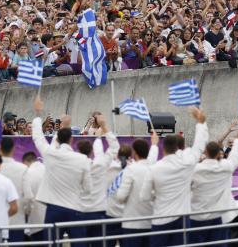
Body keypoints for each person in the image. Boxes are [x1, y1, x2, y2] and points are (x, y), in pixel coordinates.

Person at [140, 107, 208, 247]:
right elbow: (199, 146)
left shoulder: (154, 169)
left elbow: (144, 197)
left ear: (163, 149)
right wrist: (201, 123)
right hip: (182, 218)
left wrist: (157, 194)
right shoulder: (186, 163)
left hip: (160, 219)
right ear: (177, 148)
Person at [31, 95, 92, 246]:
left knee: (51, 244)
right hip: (75, 208)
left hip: (54, 209)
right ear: (72, 140)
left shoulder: (50, 154)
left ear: (57, 139)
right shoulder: (82, 160)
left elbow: (38, 136)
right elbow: (88, 189)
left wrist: (38, 113)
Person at [189, 118, 238, 246]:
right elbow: (237, 154)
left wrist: (201, 123)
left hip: (197, 216)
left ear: (205, 152)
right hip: (218, 216)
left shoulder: (194, 169)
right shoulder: (226, 167)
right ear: (219, 153)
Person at [81, 114, 120, 247]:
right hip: (99, 212)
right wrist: (103, 127)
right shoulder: (100, 165)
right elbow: (114, 147)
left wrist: (97, 137)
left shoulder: (74, 167)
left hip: (81, 212)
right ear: (91, 152)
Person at [116, 133, 159, 247]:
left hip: (132, 223)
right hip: (150, 222)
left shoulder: (130, 170)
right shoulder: (153, 168)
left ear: (134, 152)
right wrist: (154, 144)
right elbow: (152, 158)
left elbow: (120, 197)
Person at [0, 137, 32, 242]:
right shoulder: (22, 168)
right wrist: (26, 211)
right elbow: (29, 196)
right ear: (14, 149)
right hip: (17, 220)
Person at [22, 151, 46, 242]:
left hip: (36, 220)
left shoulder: (27, 173)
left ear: (25, 162)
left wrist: (26, 212)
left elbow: (27, 197)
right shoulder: (48, 169)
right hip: (52, 219)